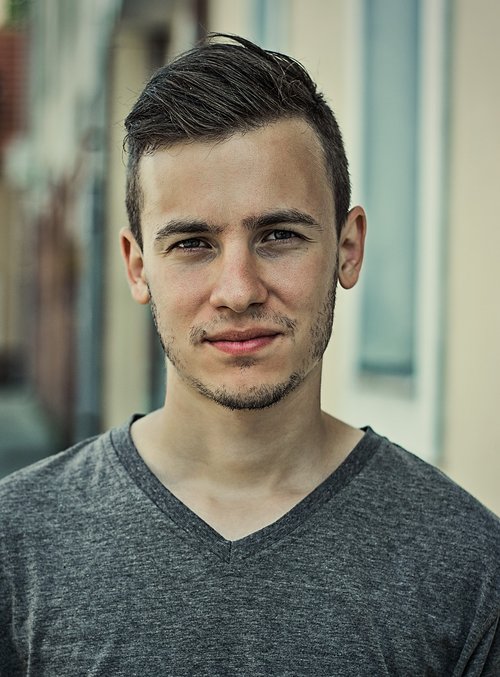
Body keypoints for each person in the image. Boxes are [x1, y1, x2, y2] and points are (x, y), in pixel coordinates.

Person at [1, 34, 499, 676]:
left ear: (348, 248)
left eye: (280, 235)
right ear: (137, 264)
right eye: (192, 244)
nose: (238, 291)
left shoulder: (468, 566)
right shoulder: (19, 544)